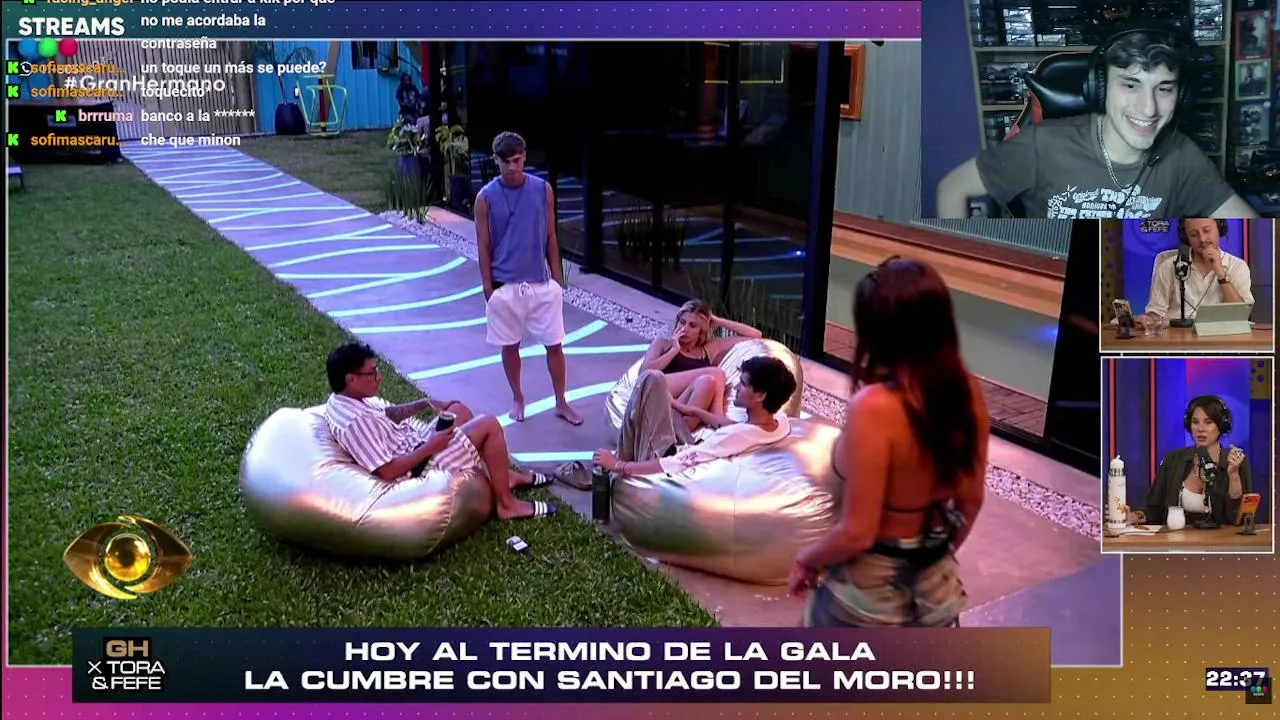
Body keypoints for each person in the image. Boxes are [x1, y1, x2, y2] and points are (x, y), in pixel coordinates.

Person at [789, 257, 990, 628]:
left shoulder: (873, 407)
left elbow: (857, 533)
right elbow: (972, 501)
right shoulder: (966, 391)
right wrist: (932, 558)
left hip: (866, 599)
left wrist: (807, 559)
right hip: (938, 594)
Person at [936, 28, 1257, 219]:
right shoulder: (1041, 145)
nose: (1148, 108)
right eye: (1130, 84)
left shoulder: (1182, 156)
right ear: (1099, 89)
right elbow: (952, 188)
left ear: (1181, 95)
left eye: (1164, 88)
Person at [323, 342, 557, 521]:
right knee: (488, 424)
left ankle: (505, 476)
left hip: (414, 444)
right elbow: (387, 471)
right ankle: (506, 504)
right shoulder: (355, 422)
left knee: (459, 410)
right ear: (351, 379)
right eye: (372, 372)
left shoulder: (345, 399)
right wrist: (431, 446)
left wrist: (425, 403)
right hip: (417, 468)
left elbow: (387, 414)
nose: (379, 377)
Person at [475, 131, 582, 426]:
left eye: (516, 160)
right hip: (504, 285)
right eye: (505, 161)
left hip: (540, 284)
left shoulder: (542, 189)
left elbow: (551, 234)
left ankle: (561, 402)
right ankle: (518, 397)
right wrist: (488, 287)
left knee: (555, 345)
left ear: (524, 157)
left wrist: (557, 280)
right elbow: (483, 244)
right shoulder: (485, 198)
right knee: (510, 345)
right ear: (496, 161)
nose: (511, 167)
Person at [592, 356, 796, 477]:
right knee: (658, 391)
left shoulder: (731, 438)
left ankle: (617, 463)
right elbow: (737, 426)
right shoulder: (779, 421)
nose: (735, 387)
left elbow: (674, 463)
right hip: (682, 442)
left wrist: (619, 466)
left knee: (650, 380)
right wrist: (691, 410)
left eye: (743, 384)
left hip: (664, 454)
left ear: (761, 395)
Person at [1127, 395, 1252, 527]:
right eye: (1195, 422)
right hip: (1177, 537)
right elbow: (1153, 510)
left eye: (1208, 422)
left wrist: (1233, 475)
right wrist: (1134, 517)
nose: (1200, 429)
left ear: (1221, 426)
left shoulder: (1236, 461)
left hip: (1222, 539)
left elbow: (1239, 518)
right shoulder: (1174, 460)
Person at [637, 299, 763, 432]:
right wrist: (673, 351)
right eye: (682, 322)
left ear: (701, 331)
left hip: (682, 409)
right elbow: (645, 375)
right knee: (716, 373)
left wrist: (717, 320)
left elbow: (756, 335)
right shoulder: (663, 343)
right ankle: (717, 417)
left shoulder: (709, 349)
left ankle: (690, 428)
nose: (684, 329)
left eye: (692, 325)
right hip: (658, 396)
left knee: (707, 381)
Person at [1136, 218, 1254, 327]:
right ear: (1186, 237)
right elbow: (1156, 314)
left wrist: (1221, 274)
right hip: (1176, 335)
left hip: (1220, 335)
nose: (1202, 239)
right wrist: (1147, 320)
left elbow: (1241, 315)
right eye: (1194, 234)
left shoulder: (1237, 266)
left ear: (1220, 229)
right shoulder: (1168, 266)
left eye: (1206, 231)